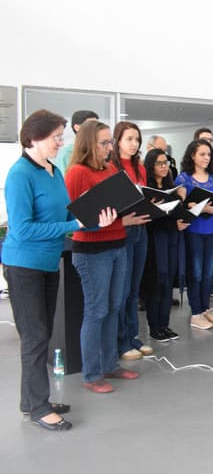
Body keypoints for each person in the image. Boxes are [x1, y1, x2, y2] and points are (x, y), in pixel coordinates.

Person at [4, 110, 115, 430]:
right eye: (56, 137)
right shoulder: (19, 175)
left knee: (42, 334)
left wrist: (94, 222)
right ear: (34, 138)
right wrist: (74, 224)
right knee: (35, 337)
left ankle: (31, 401)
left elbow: (67, 217)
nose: (60, 143)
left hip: (48, 264)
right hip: (24, 266)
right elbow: (23, 229)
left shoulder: (52, 171)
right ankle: (39, 407)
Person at [65, 120, 140, 394]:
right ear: (89, 143)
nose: (110, 147)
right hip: (92, 250)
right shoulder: (77, 172)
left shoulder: (110, 169)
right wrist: (97, 219)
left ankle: (110, 364)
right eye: (105, 143)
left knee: (114, 307)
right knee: (96, 311)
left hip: (118, 243)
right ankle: (92, 374)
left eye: (111, 142)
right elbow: (72, 216)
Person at [111, 121, 153, 361]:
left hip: (141, 229)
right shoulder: (110, 167)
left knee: (135, 288)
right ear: (117, 141)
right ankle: (121, 341)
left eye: (137, 139)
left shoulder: (139, 167)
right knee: (123, 288)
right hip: (122, 231)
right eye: (129, 139)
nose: (134, 143)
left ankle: (132, 336)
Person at [175, 139, 213, 330]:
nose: (206, 158)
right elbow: (180, 206)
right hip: (193, 230)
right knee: (195, 272)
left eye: (209, 154)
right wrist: (198, 207)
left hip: (212, 229)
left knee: (208, 273)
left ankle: (205, 309)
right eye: (202, 154)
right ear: (192, 156)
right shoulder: (183, 178)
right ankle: (196, 313)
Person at [141, 149, 188, 342]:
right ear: (150, 166)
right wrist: (173, 222)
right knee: (157, 282)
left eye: (166, 163)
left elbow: (176, 213)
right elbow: (150, 220)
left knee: (168, 281)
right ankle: (154, 327)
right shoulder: (147, 190)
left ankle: (165, 324)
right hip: (155, 239)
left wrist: (181, 206)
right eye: (159, 163)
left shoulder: (171, 188)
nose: (163, 167)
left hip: (172, 238)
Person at [53, 109, 97, 176]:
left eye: (98, 126)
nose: (96, 129)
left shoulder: (100, 151)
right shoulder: (66, 154)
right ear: (77, 127)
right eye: (91, 126)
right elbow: (63, 180)